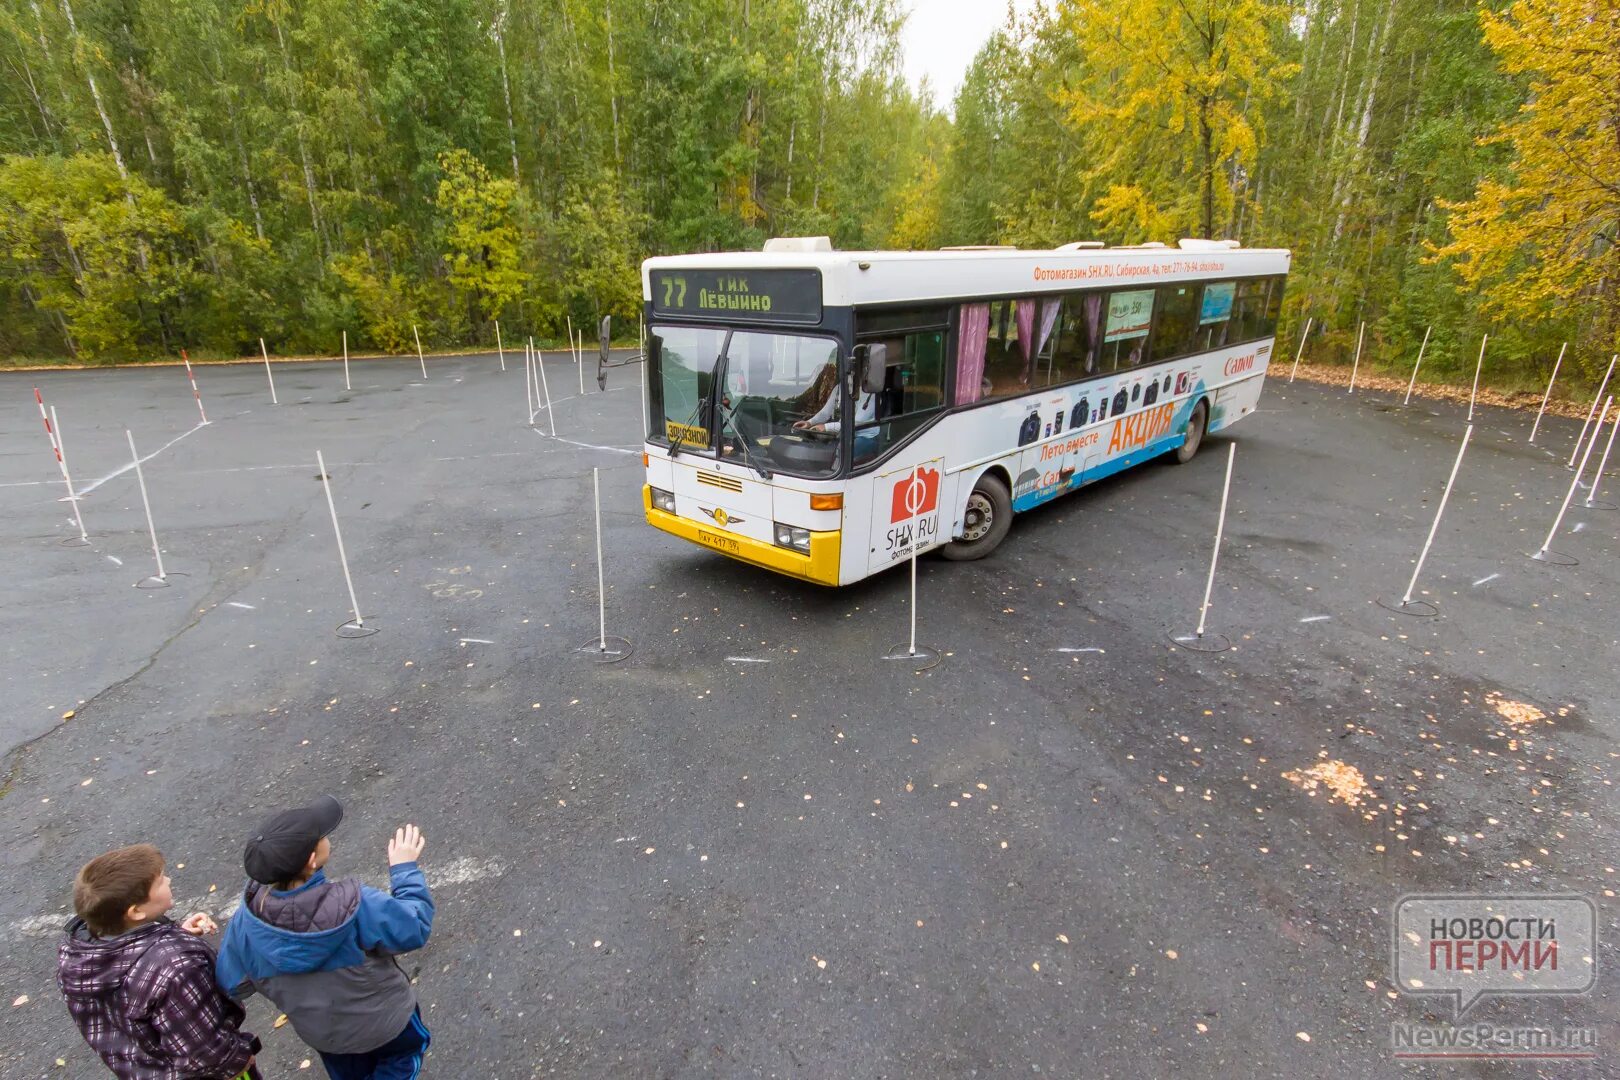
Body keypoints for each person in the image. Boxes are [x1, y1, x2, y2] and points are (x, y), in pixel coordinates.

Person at [215, 797, 433, 1080]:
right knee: (404, 1058)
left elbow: (234, 984)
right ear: (311, 860)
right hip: (386, 1025)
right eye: (321, 836)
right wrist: (404, 870)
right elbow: (413, 928)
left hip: (325, 1037)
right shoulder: (355, 905)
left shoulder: (244, 924)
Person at [58, 843, 262, 1080]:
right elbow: (200, 1048)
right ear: (135, 912)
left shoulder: (78, 953)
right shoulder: (176, 968)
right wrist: (237, 1060)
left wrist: (174, 935)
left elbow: (134, 972)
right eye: (161, 880)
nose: (169, 881)